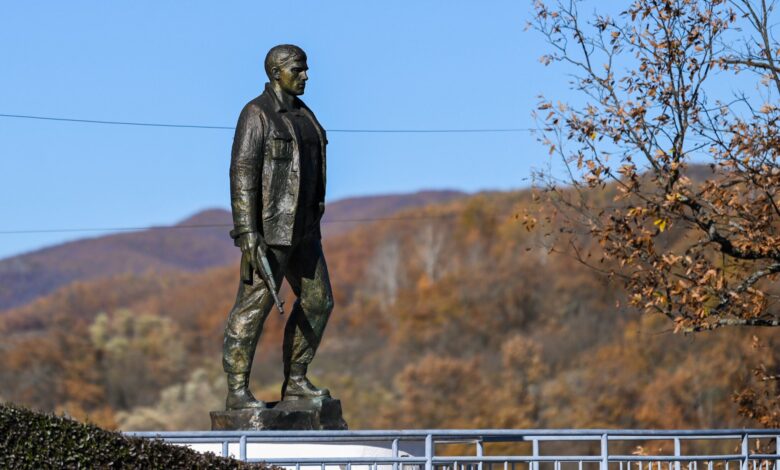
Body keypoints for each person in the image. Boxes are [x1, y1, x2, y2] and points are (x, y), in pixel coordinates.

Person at [223, 44, 333, 410]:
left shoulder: (306, 115)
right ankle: (237, 390)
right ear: (276, 73)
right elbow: (242, 173)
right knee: (253, 308)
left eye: (305, 69)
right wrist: (246, 231)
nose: (305, 76)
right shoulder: (257, 113)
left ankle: (297, 380)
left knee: (319, 302)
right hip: (269, 231)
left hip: (305, 229)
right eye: (298, 70)